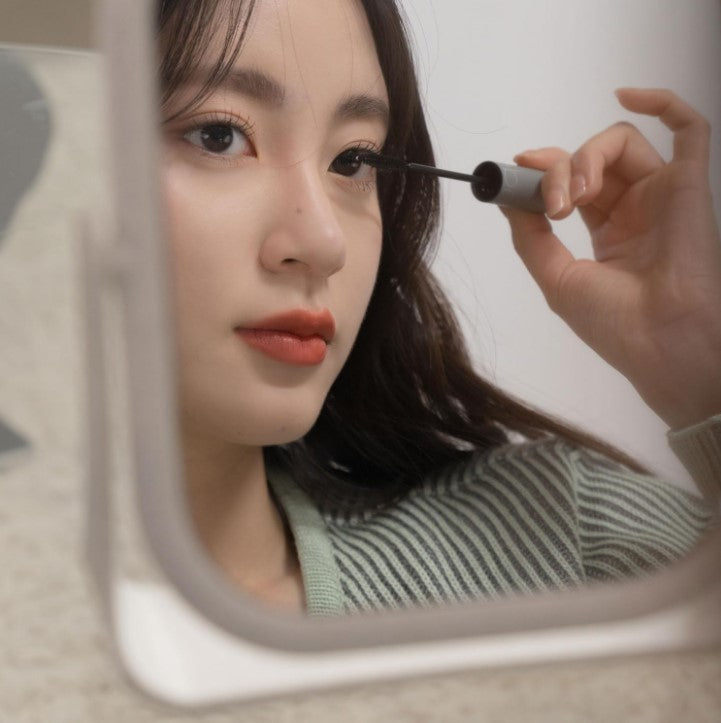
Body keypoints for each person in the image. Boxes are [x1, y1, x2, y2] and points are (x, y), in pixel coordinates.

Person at [156, 0, 721, 614]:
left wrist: (698, 364)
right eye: (219, 136)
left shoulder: (557, 543)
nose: (324, 243)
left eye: (352, 160)